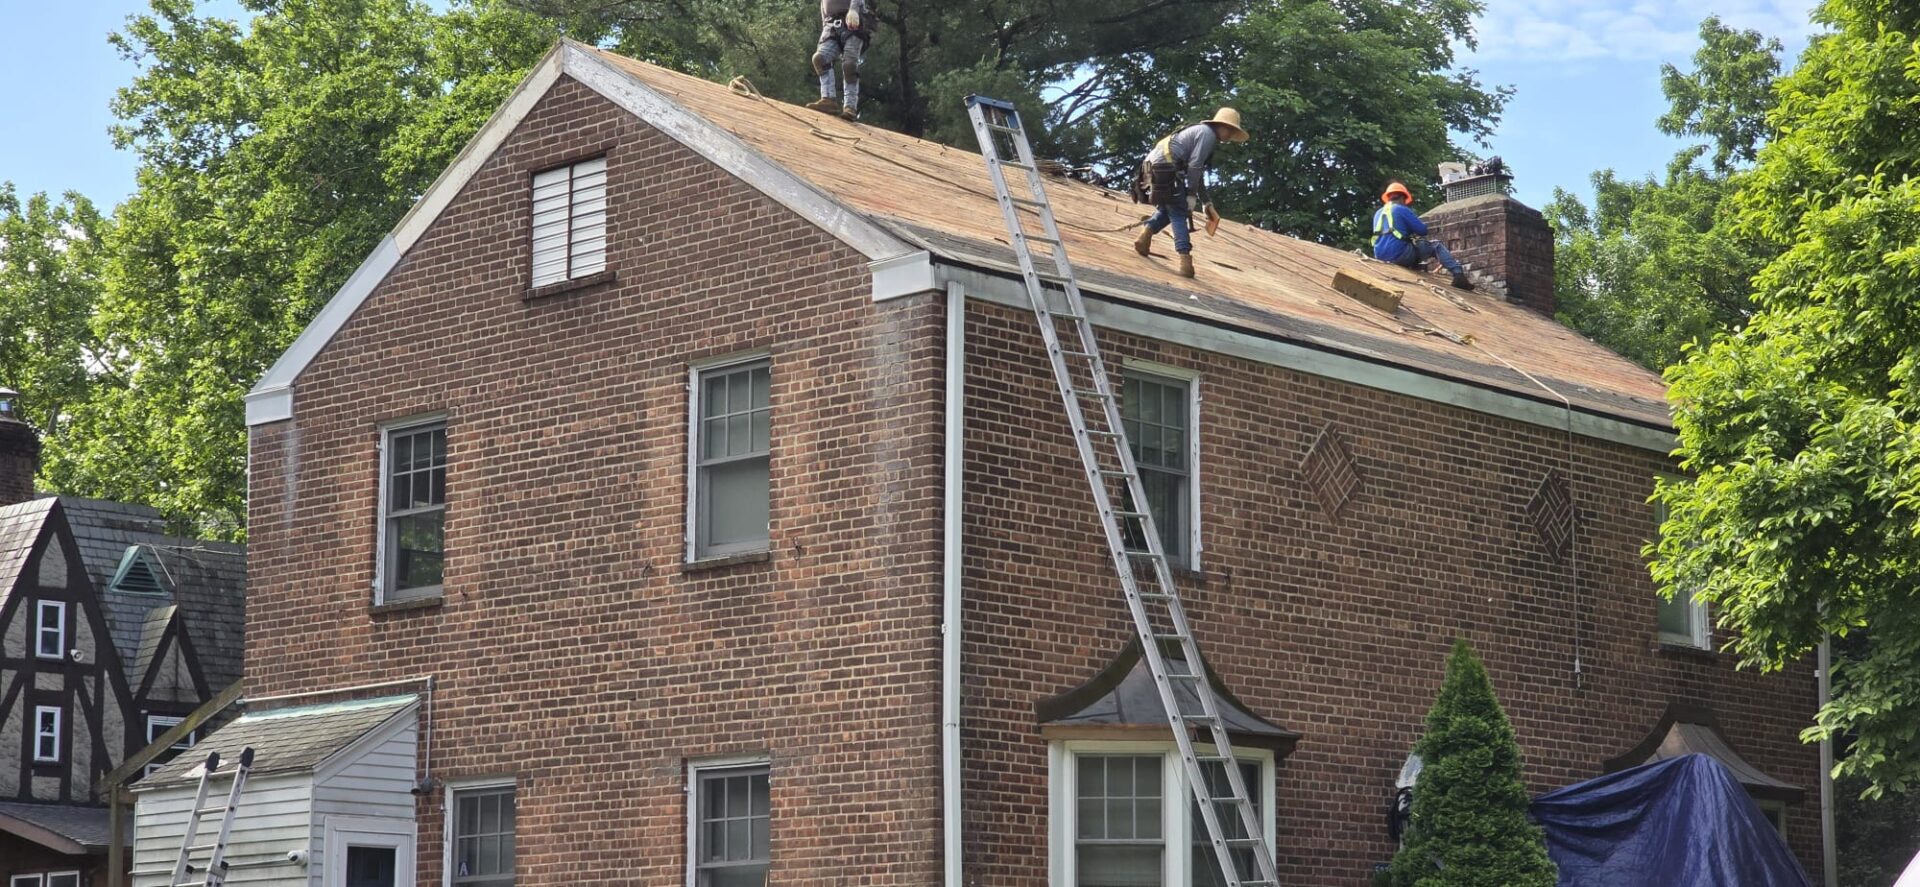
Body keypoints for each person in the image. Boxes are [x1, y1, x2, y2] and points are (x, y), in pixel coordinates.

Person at [1131, 108, 1249, 278]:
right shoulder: (1207, 135)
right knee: (1179, 211)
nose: (1230, 136)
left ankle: (1144, 238)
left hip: (1149, 168)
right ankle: (1185, 261)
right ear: (1221, 126)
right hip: (1163, 168)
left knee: (1170, 206)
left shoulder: (1201, 132)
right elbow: (1195, 166)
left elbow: (1196, 171)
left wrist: (1205, 201)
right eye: (1230, 131)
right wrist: (1191, 196)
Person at [1372, 182, 1474, 291]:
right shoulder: (1401, 209)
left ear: (1388, 198)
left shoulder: (1378, 213)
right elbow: (1422, 230)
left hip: (1380, 257)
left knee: (1410, 245)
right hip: (1400, 255)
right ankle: (1458, 275)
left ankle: (1414, 266)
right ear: (1402, 198)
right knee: (1436, 245)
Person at [806, 0, 875, 121]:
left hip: (853, 25)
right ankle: (828, 100)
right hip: (831, 26)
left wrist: (853, 9)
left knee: (849, 66)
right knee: (820, 58)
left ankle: (850, 106)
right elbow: (825, 15)